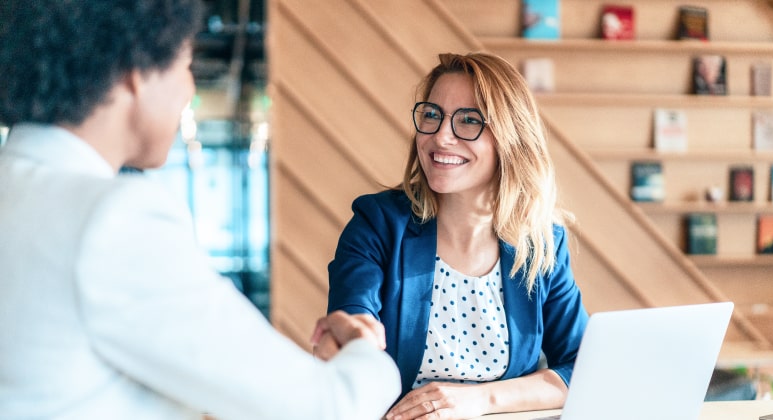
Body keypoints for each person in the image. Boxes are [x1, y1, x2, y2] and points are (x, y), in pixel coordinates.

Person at [0, 1, 400, 419]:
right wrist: (366, 351)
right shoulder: (111, 220)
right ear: (136, 72)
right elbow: (328, 407)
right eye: (186, 63)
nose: (189, 88)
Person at [327, 52, 589, 420]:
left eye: (469, 121)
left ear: (510, 138)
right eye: (432, 115)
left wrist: (481, 400)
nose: (441, 137)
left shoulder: (541, 242)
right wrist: (355, 340)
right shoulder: (377, 223)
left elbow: (582, 366)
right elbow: (354, 338)